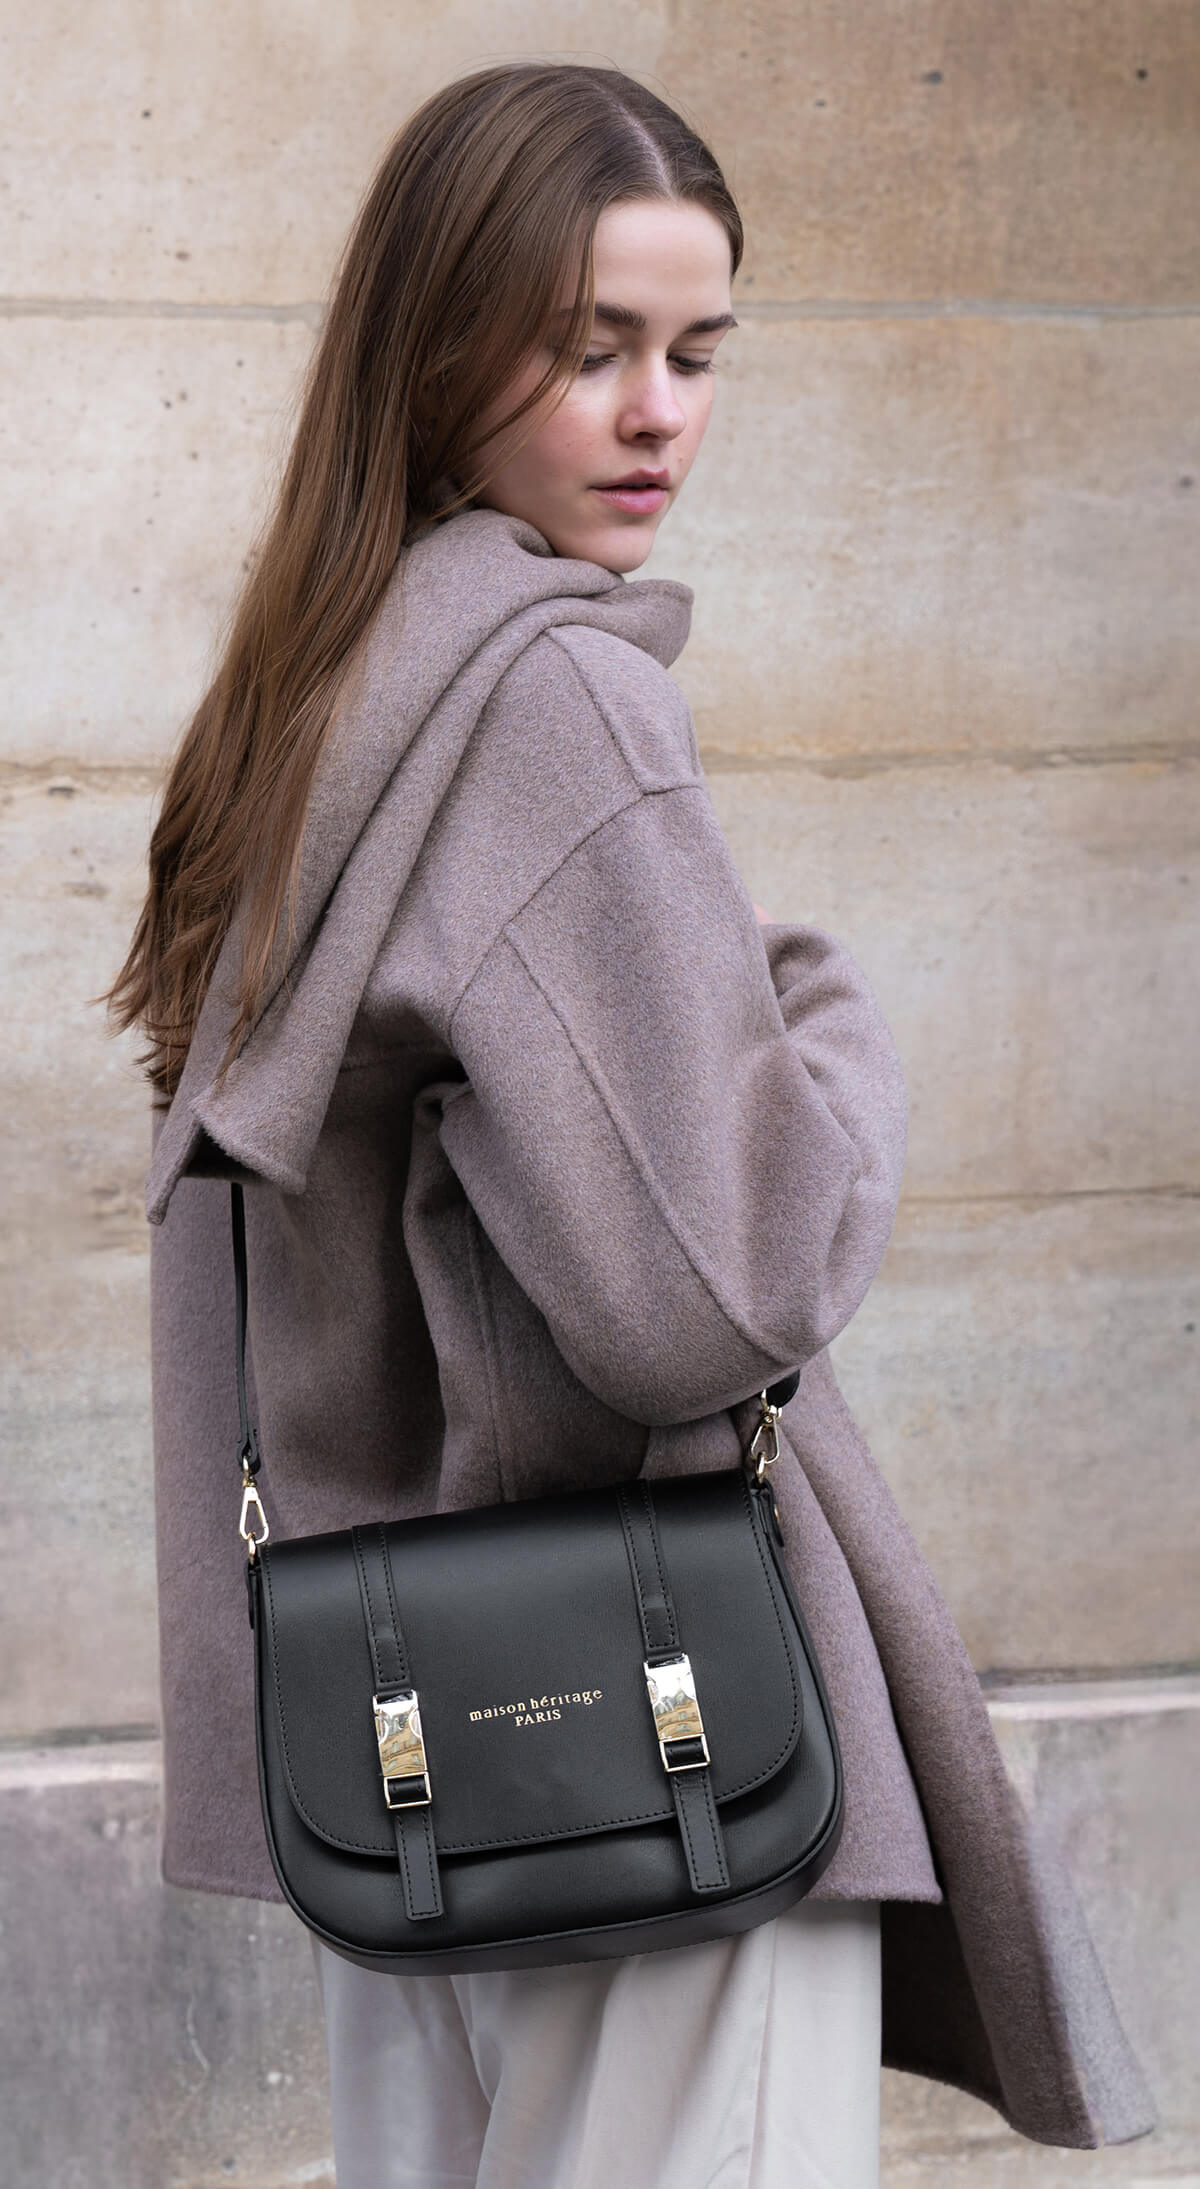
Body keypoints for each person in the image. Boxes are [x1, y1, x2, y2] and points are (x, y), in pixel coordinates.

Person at [103, 58, 1153, 2189]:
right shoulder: (558, 699)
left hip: (419, 1733)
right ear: (437, 347)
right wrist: (822, 1014)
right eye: (590, 348)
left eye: (697, 351)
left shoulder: (323, 699)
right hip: (659, 1733)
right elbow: (720, 1289)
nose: (658, 412)